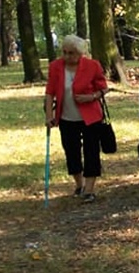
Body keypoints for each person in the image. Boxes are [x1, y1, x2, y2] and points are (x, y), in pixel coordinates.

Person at [43, 35, 108, 201]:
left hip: (90, 117)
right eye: (64, 52)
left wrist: (91, 97)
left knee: (91, 151)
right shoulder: (56, 66)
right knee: (71, 152)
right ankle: (79, 184)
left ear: (80, 53)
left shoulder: (92, 65)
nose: (67, 56)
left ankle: (89, 189)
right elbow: (50, 92)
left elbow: (104, 88)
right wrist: (49, 116)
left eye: (71, 53)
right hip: (66, 117)